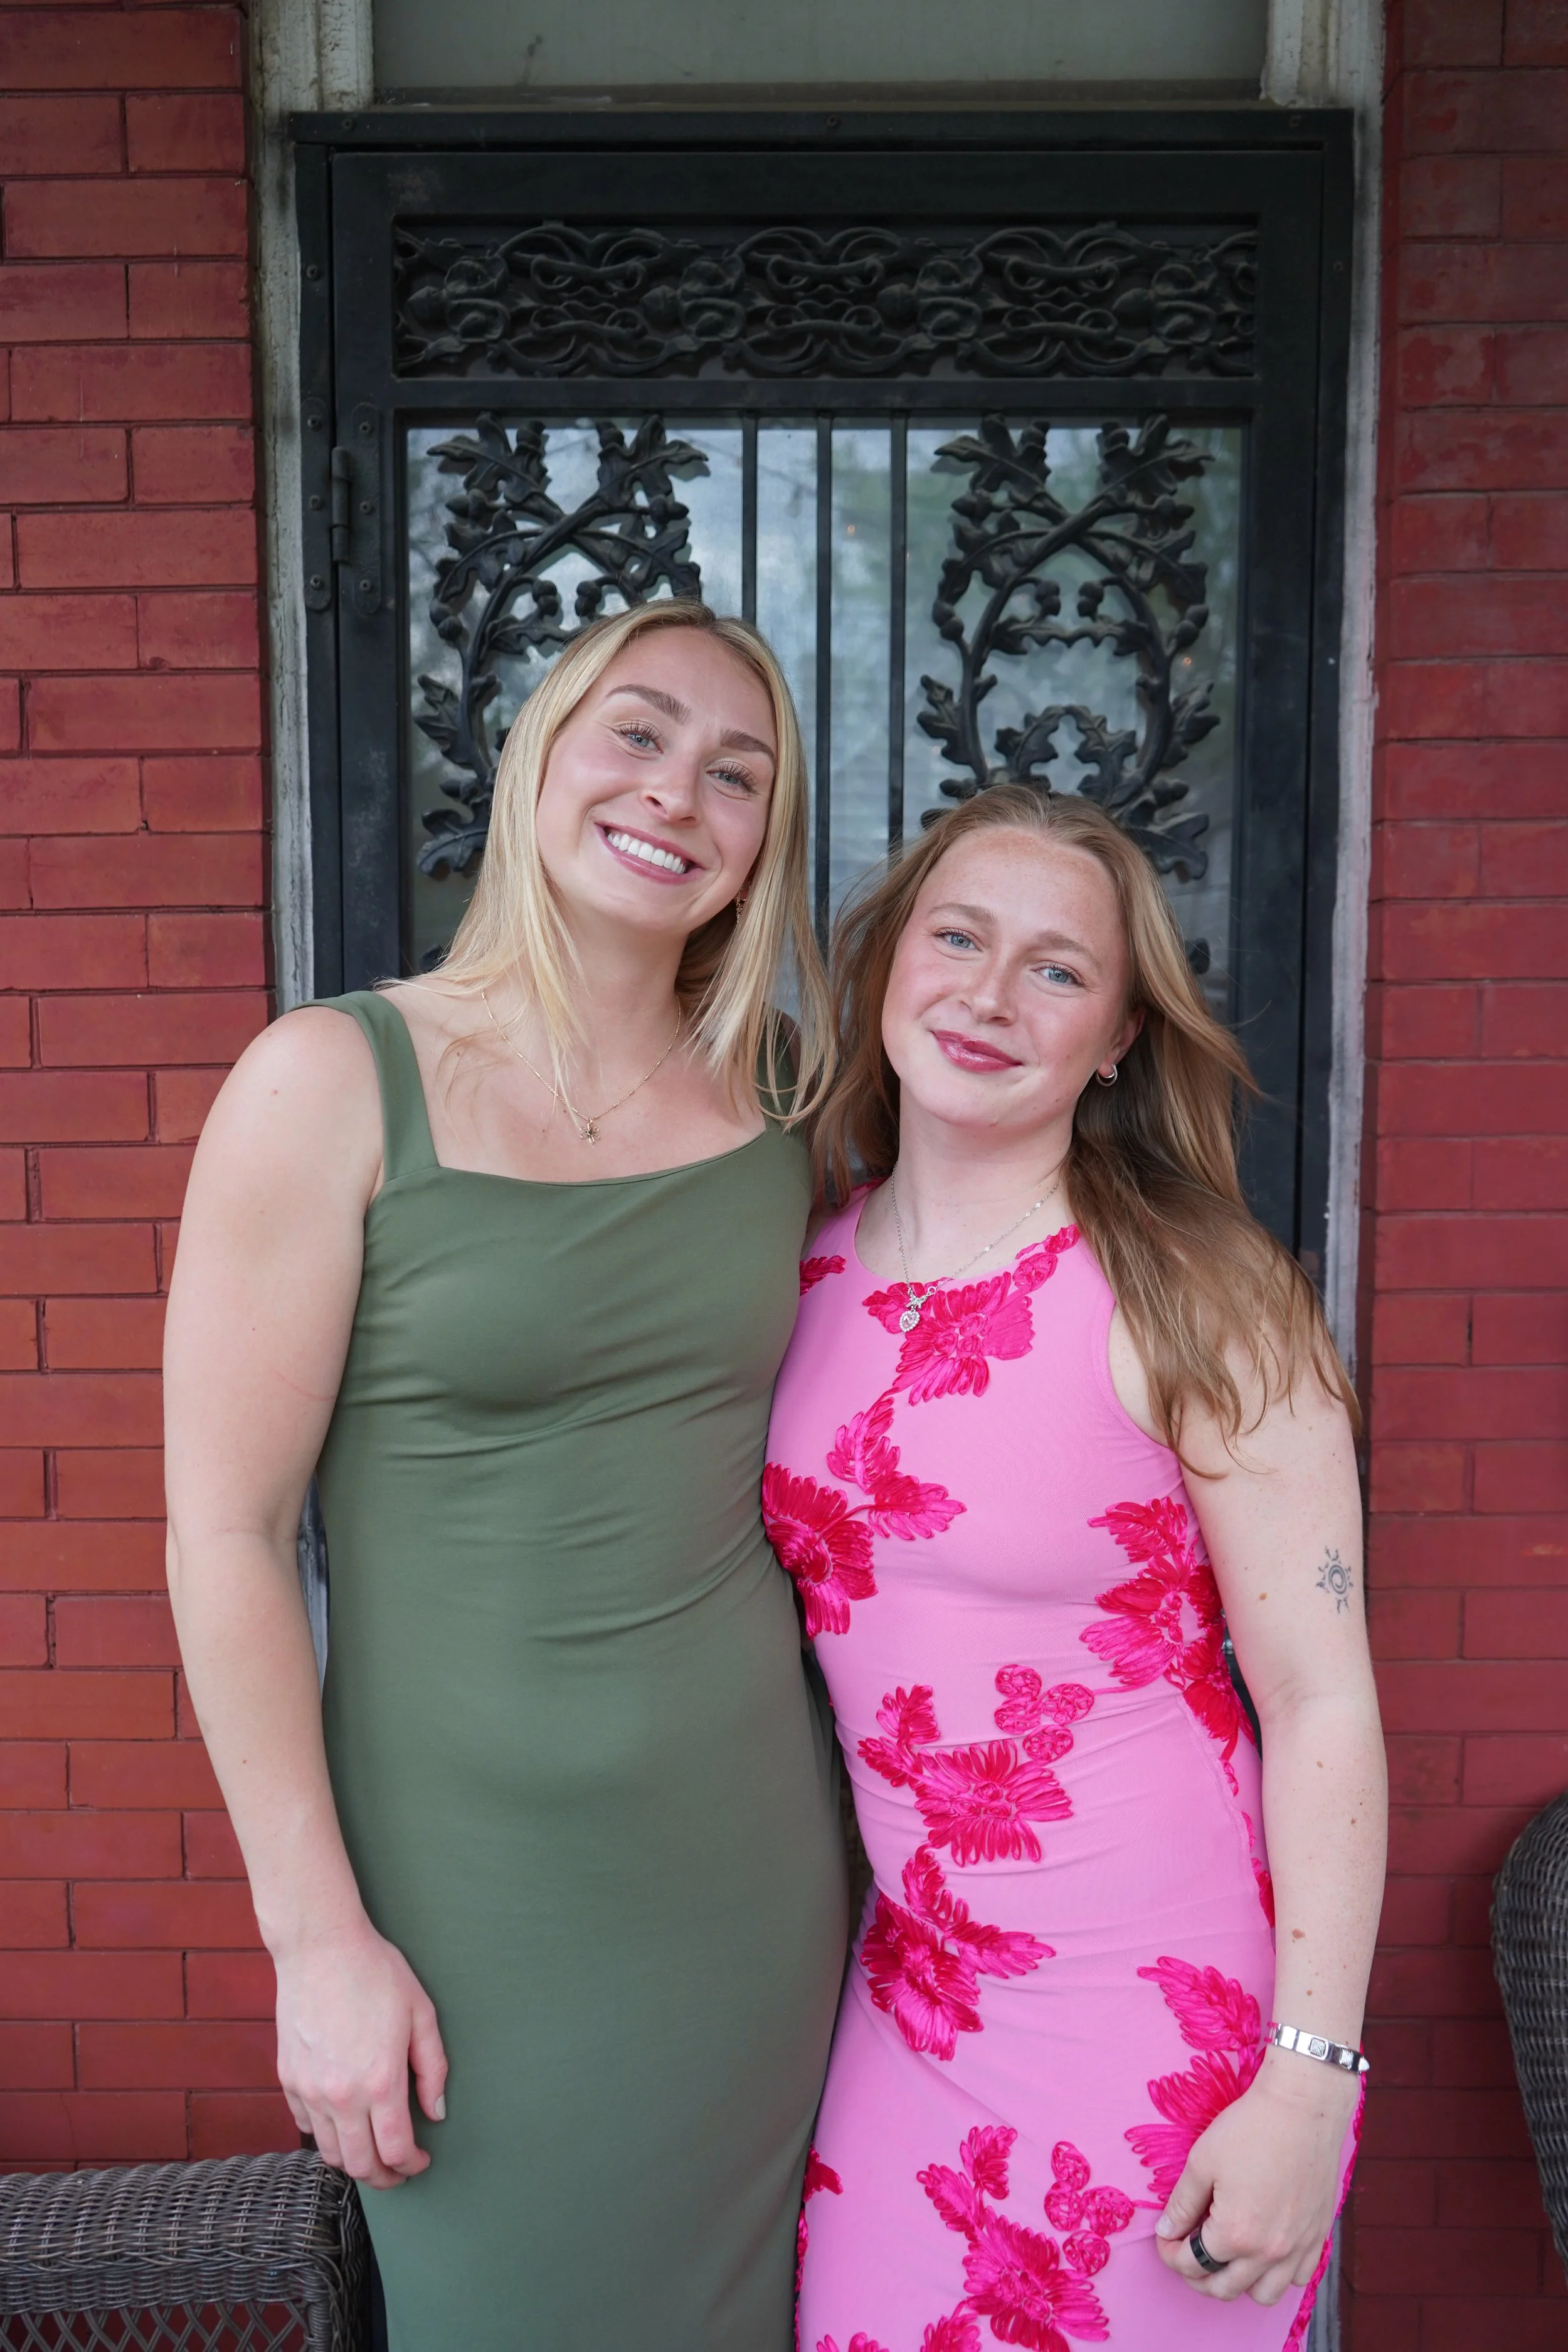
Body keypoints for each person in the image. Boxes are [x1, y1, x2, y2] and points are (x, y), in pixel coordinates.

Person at [163, 600, 849, 2352]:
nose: (675, 790)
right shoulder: (329, 1079)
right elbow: (226, 1535)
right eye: (634, 730)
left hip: (750, 1876)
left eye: (735, 769)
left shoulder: (792, 1100)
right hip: (466, 1905)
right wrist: (316, 1942)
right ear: (536, 752)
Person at [766, 784, 1385, 2351]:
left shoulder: (1197, 1298)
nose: (986, 993)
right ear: (885, 965)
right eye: (956, 937)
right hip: (907, 2016)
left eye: (1054, 969)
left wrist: (1306, 2081)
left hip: (1159, 2026)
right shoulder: (794, 1267)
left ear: (1115, 1035)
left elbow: (1318, 1703)